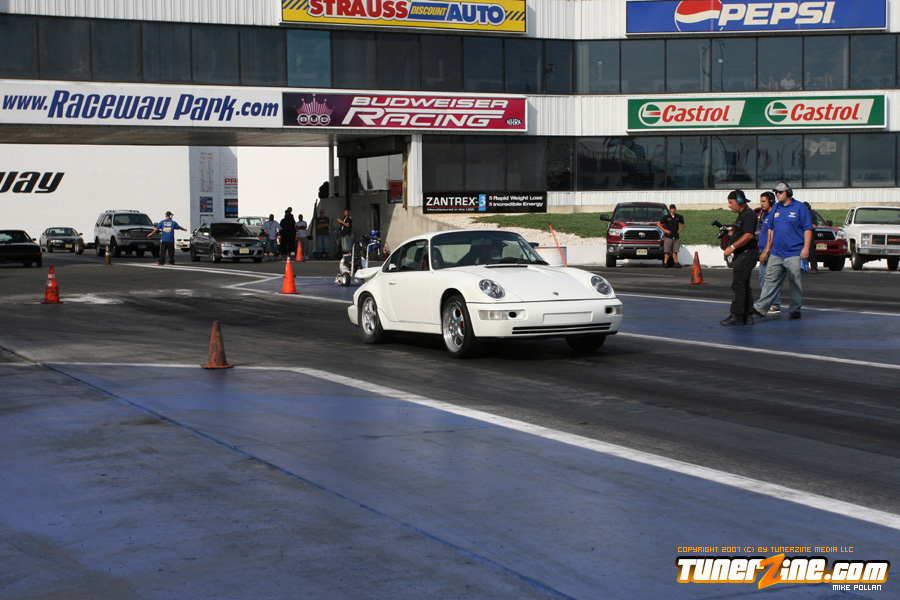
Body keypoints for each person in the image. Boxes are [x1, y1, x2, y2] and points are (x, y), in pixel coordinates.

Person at [753, 182, 813, 320]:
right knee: (770, 280)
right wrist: (767, 248)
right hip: (776, 252)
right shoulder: (775, 207)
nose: (778, 195)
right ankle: (761, 308)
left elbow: (807, 229)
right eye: (776, 193)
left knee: (795, 282)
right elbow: (771, 229)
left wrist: (806, 248)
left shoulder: (800, 208)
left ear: (788, 192)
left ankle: (795, 309)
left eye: (780, 192)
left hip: (794, 252)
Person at [720, 190, 758, 326]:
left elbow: (748, 235)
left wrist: (732, 247)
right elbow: (741, 233)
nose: (729, 206)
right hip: (745, 254)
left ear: (740, 201)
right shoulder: (743, 215)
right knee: (744, 285)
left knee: (738, 286)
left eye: (731, 203)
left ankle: (737, 315)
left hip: (746, 254)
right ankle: (747, 316)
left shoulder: (748, 215)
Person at [756, 192, 782, 314]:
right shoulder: (766, 216)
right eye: (761, 201)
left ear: (771, 201)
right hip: (763, 250)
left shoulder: (774, 216)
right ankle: (769, 303)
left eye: (764, 201)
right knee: (764, 278)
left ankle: (774, 304)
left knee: (769, 279)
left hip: (769, 252)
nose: (761, 204)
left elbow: (773, 236)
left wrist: (766, 251)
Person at [657, 204, 684, 268]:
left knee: (675, 251)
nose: (673, 209)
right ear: (670, 209)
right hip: (668, 236)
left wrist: (680, 230)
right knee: (667, 251)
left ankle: (676, 262)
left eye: (674, 208)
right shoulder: (666, 217)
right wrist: (664, 230)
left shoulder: (678, 217)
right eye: (672, 208)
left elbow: (683, 223)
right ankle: (665, 263)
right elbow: (658, 223)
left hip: (676, 236)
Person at [803, 201, 818, 272]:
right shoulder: (800, 214)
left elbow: (814, 225)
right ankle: (802, 267)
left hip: (810, 235)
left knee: (811, 251)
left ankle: (814, 267)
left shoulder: (812, 214)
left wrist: (806, 226)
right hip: (801, 235)